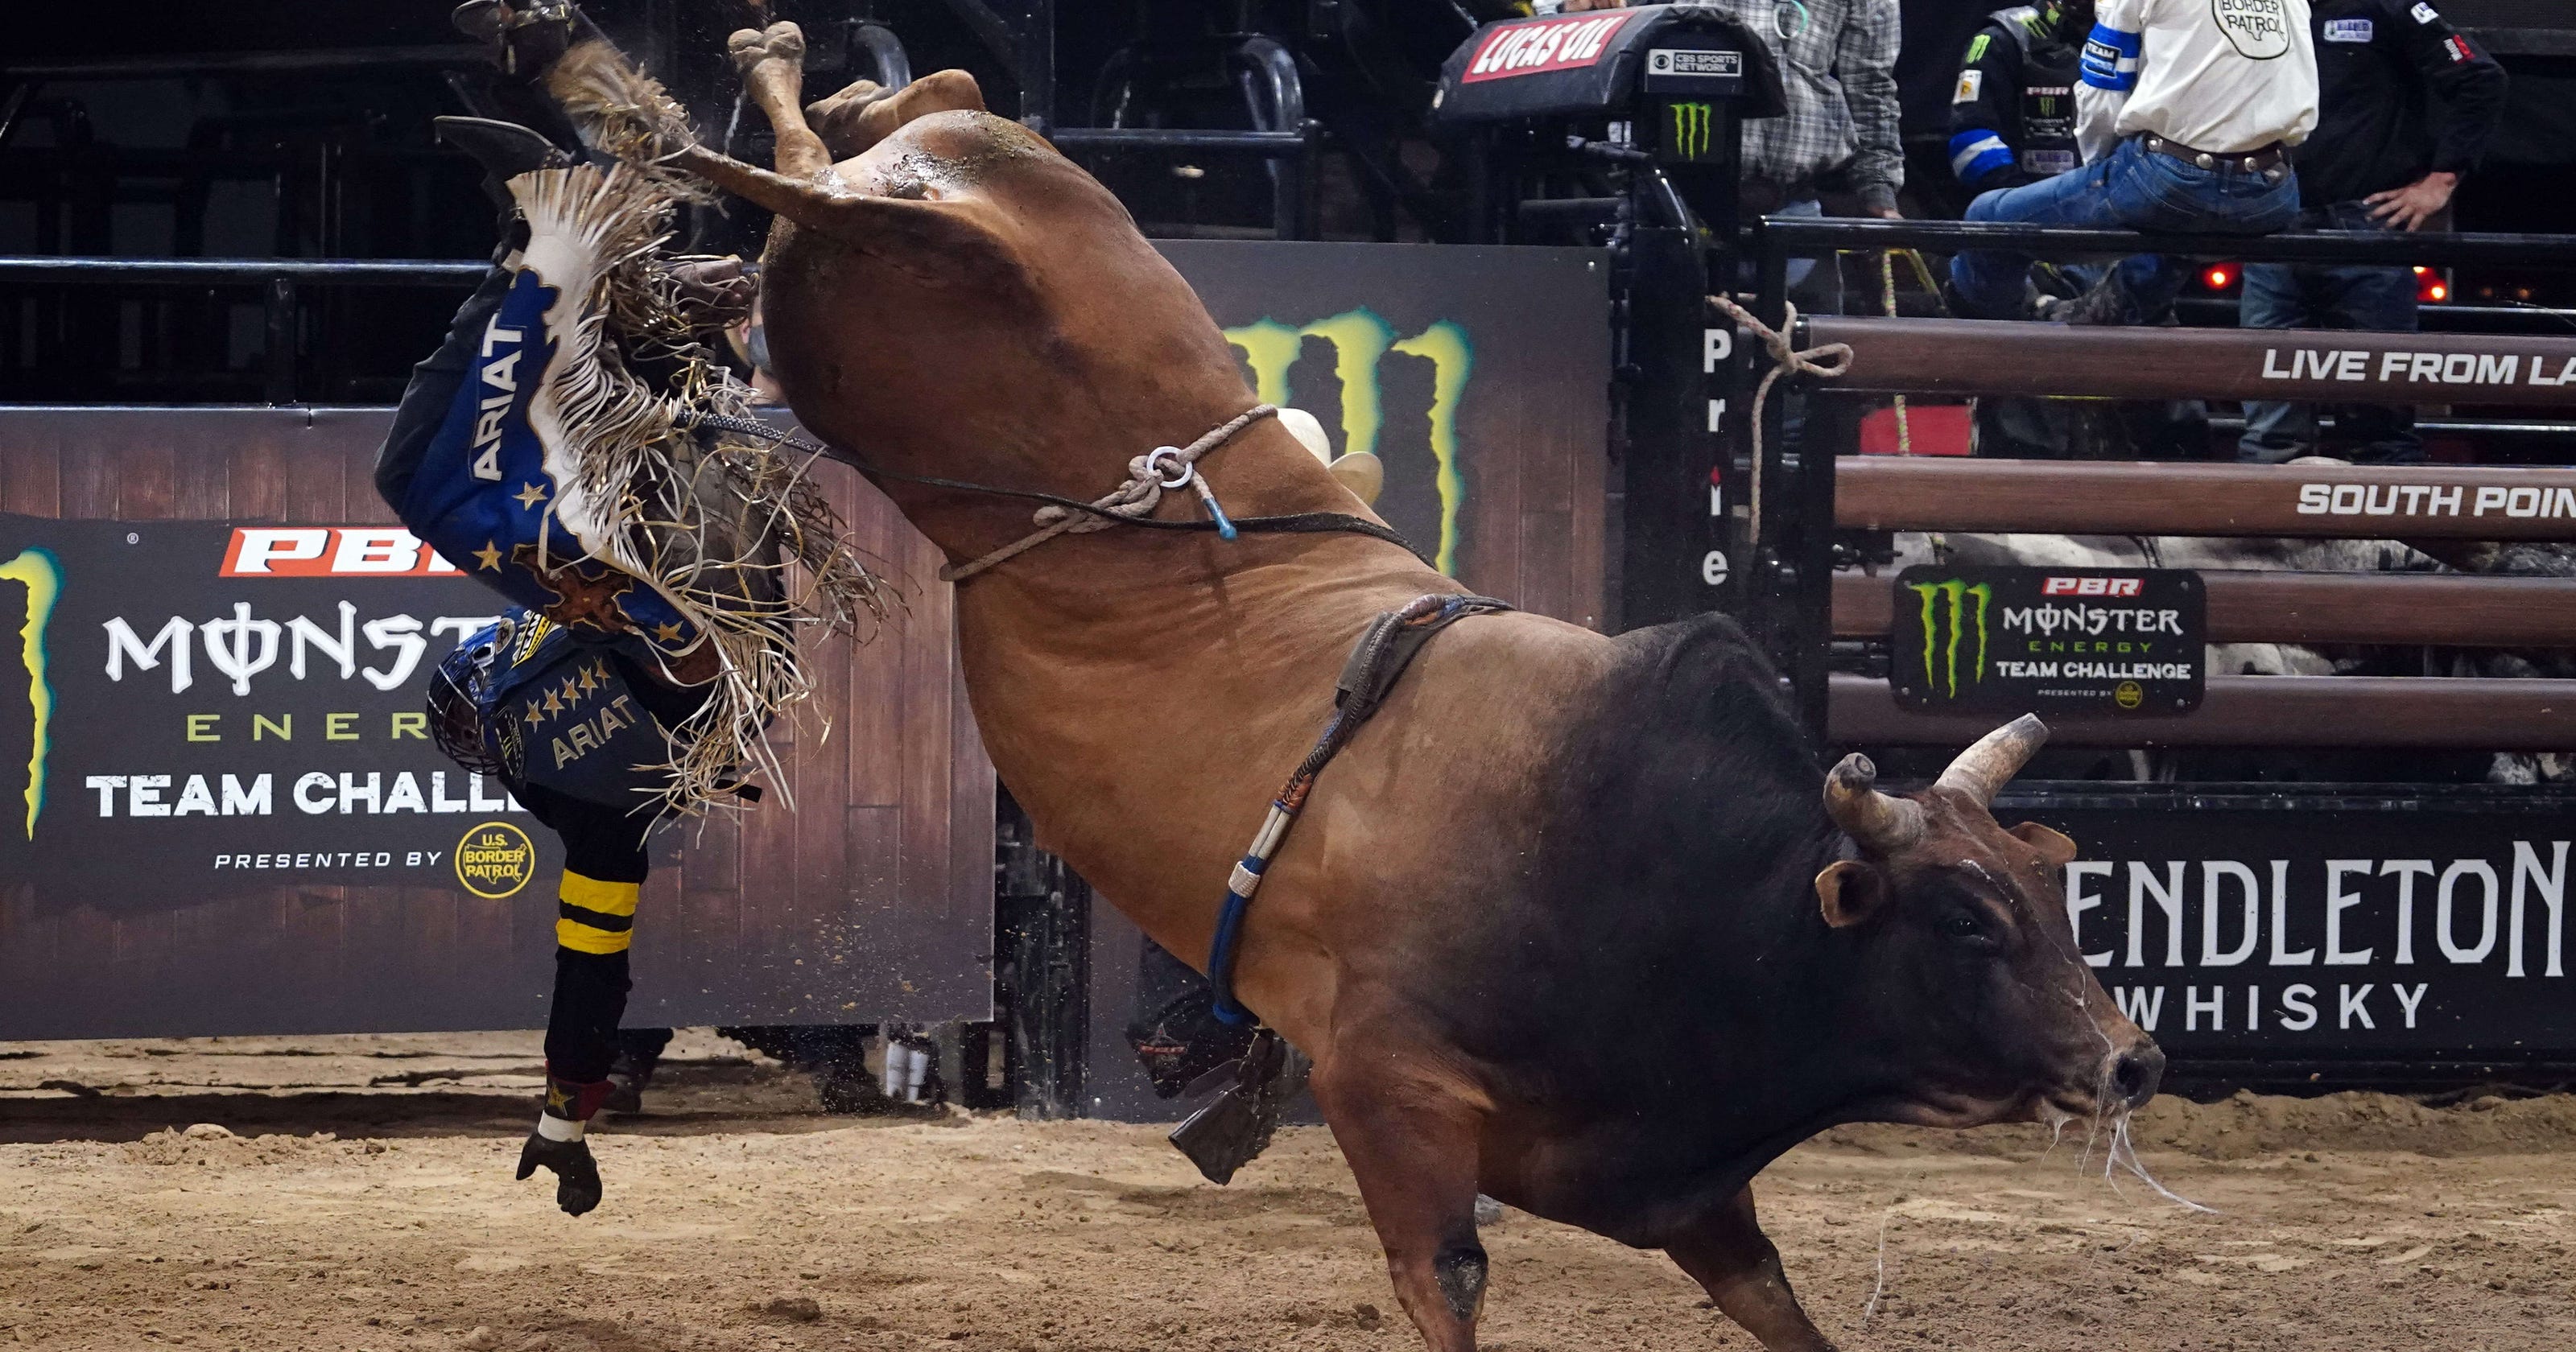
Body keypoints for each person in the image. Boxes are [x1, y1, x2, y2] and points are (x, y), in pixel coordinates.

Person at [2237, 0, 2508, 464]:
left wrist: (2441, 180)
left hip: (2367, 222)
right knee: (2270, 424)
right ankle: (2272, 535)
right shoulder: (2256, 10)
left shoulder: (2390, 5)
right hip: (2273, 220)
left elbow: (2481, 78)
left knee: (2379, 424)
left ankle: (2388, 536)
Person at [1949, 0, 2319, 325]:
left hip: (2157, 183)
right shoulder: (2010, 36)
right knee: (2178, 233)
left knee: (1987, 220)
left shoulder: (2123, 10)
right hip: (2274, 192)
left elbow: (2100, 101)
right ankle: (2086, 318)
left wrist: (2099, 176)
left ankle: (2007, 346)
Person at [1947, 2, 2093, 197]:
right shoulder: (2000, 39)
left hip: (2117, 200)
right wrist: (2024, 198)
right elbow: (1969, 143)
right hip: (2028, 204)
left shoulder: (2136, 37)